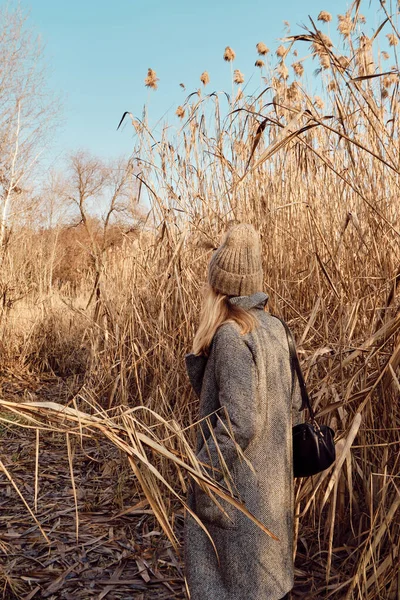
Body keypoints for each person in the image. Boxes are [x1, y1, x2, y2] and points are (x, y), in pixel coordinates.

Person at [184, 223, 303, 600]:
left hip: (238, 500)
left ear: (218, 285)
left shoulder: (232, 336)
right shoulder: (276, 329)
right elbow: (294, 405)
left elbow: (240, 421)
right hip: (270, 497)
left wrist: (200, 473)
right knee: (267, 584)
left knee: (234, 586)